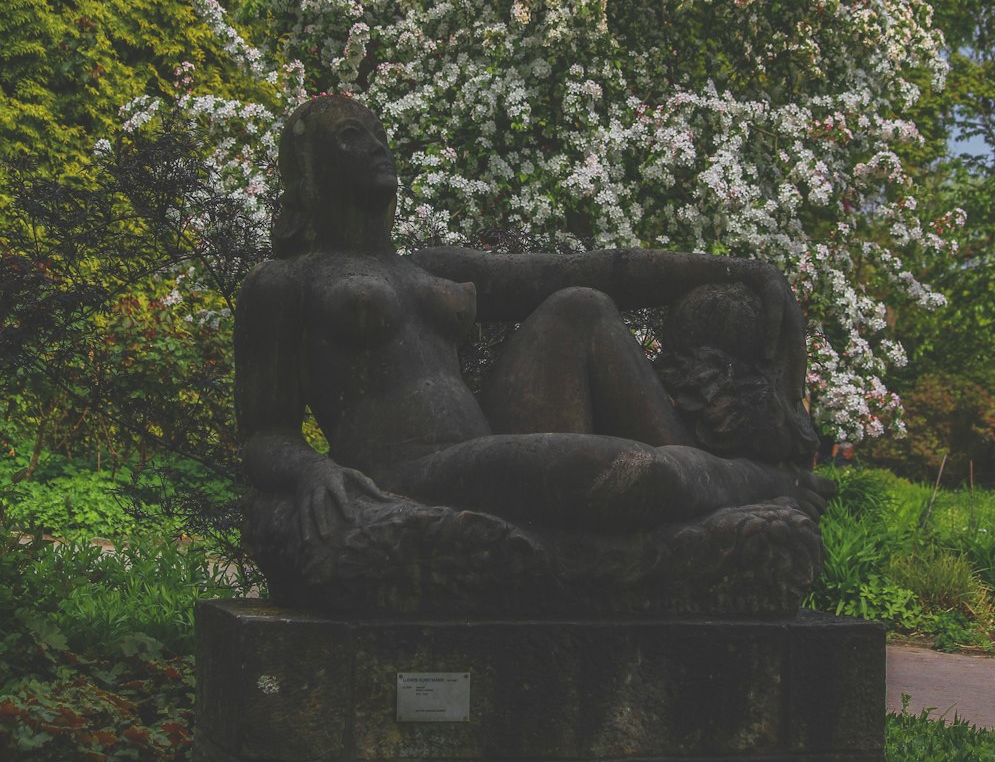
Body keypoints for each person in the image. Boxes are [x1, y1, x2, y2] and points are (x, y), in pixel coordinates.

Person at [235, 95, 833, 562]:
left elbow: (593, 270)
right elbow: (265, 433)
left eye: (380, 135)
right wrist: (314, 469)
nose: (377, 147)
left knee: (580, 304)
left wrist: (743, 271)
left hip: (487, 449)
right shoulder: (287, 283)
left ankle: (703, 476)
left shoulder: (430, 268)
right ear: (308, 171)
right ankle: (756, 484)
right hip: (409, 471)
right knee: (630, 471)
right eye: (350, 137)